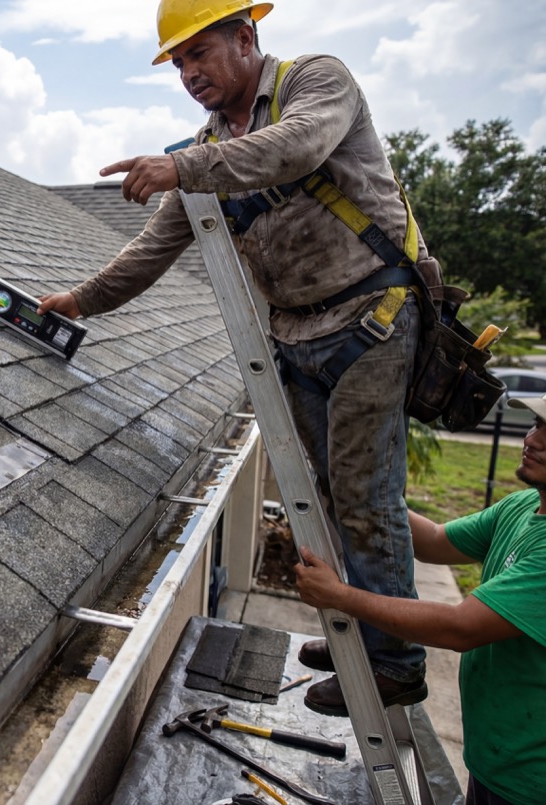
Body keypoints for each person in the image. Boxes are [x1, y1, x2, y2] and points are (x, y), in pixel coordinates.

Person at [37, 0, 443, 715]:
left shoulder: (316, 83)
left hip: (372, 317)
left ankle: (395, 661)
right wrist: (83, 299)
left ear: (246, 36)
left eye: (200, 53)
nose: (190, 72)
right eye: (180, 62)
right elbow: (159, 246)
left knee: (364, 497)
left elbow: (297, 148)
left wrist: (182, 166)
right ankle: (362, 625)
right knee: (324, 497)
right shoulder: (210, 146)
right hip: (297, 335)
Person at [295, 393, 546, 805]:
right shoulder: (523, 507)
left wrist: (340, 596)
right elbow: (432, 541)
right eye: (536, 424)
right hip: (496, 760)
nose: (532, 439)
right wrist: (351, 490)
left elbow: (458, 627)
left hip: (530, 782)